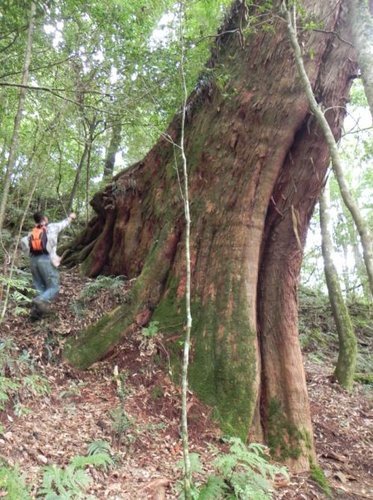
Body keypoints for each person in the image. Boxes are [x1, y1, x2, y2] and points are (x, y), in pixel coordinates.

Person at [21, 211, 76, 319]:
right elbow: (64, 223)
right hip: (45, 260)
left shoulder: (32, 232)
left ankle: (36, 314)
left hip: (33, 261)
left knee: (39, 286)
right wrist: (71, 217)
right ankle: (39, 300)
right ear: (44, 219)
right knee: (53, 287)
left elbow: (24, 244)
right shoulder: (52, 227)